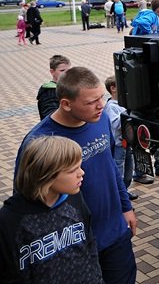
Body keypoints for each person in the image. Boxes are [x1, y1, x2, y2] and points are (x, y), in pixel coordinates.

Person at [15, 67, 137, 284]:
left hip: (115, 233)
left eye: (102, 97)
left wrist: (126, 206)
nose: (101, 105)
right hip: (73, 245)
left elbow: (109, 166)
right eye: (92, 101)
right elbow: (27, 201)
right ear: (66, 104)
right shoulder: (39, 142)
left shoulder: (99, 119)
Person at [1, 136, 104, 283]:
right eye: (72, 170)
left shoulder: (75, 200)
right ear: (45, 175)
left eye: (80, 166)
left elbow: (90, 244)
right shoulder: (9, 221)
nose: (81, 173)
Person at [104, 76, 137, 201]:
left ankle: (124, 191)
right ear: (113, 89)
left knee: (129, 169)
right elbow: (116, 124)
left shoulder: (124, 103)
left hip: (128, 143)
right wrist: (128, 114)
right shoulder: (111, 107)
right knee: (119, 170)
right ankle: (118, 196)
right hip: (119, 145)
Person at [37, 54, 71, 120]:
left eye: (68, 70)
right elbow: (50, 116)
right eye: (62, 70)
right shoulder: (49, 92)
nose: (66, 73)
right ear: (52, 72)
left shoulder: (65, 87)